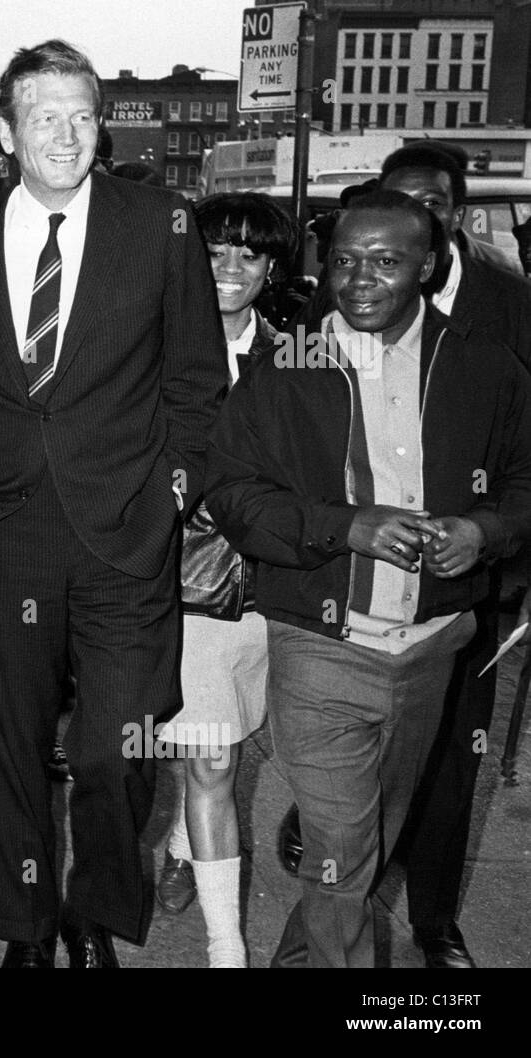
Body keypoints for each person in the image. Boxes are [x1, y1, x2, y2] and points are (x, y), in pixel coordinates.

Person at [0, 39, 227, 968]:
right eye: (43, 116)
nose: (65, 133)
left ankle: (96, 913)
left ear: (102, 124)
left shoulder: (161, 224)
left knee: (119, 749)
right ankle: (26, 925)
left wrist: (173, 487)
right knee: (10, 745)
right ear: (6, 132)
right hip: (2, 525)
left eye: (82, 114)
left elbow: (198, 382)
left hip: (125, 527)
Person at [208, 190, 531, 967]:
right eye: (345, 260)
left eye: (386, 262)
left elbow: (525, 481)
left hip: (430, 650)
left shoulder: (484, 364)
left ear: (427, 263)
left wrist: (484, 531)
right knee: (344, 844)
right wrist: (343, 526)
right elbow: (232, 494)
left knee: (361, 852)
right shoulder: (286, 364)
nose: (359, 280)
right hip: (321, 644)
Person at [154, 193, 297, 968]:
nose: (231, 268)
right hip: (189, 584)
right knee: (213, 758)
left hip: (276, 592)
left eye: (250, 253)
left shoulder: (301, 353)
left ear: (272, 267)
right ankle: (226, 949)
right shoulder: (152, 347)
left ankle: (182, 841)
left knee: (227, 745)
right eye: (215, 251)